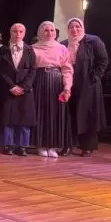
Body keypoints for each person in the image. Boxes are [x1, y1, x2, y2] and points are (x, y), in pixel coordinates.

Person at [61, 18, 108, 157]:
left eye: (77, 26)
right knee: (69, 114)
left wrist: (94, 77)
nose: (74, 29)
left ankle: (87, 146)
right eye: (71, 27)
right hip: (69, 83)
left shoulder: (93, 41)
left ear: (82, 27)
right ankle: (68, 145)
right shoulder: (64, 44)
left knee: (88, 115)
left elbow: (103, 60)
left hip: (89, 85)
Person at [31, 21, 73, 158]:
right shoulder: (32, 48)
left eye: (52, 30)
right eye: (46, 30)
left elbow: (67, 69)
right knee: (40, 112)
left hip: (56, 82)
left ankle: (53, 146)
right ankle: (40, 145)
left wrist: (67, 88)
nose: (49, 33)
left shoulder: (62, 48)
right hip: (38, 81)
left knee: (55, 113)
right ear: (40, 32)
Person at [0, 23, 37, 156]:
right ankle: (7, 144)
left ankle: (22, 146)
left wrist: (23, 86)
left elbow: (32, 70)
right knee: (7, 117)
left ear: (24, 34)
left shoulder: (30, 50)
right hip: (8, 89)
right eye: (15, 31)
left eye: (20, 31)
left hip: (25, 90)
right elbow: (0, 70)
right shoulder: (2, 50)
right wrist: (11, 86)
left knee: (24, 117)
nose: (17, 34)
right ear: (10, 33)